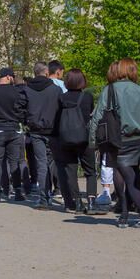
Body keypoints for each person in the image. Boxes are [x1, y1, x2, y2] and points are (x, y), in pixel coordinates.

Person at [90, 58, 140, 228]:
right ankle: (125, 213)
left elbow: (97, 116)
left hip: (116, 138)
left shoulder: (110, 89)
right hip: (137, 139)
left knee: (125, 177)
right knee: (132, 175)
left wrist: (92, 142)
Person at [54, 69, 99, 213]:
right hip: (84, 139)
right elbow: (91, 115)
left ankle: (77, 201)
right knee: (90, 171)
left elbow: (57, 119)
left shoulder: (62, 98)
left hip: (66, 139)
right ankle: (91, 201)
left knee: (71, 171)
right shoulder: (88, 97)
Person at [0, 67, 28, 202]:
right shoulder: (17, 91)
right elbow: (22, 110)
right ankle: (17, 192)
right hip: (14, 129)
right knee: (14, 162)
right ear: (9, 77)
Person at [23, 63, 61, 209]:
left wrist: (26, 122)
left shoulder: (27, 90)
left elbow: (19, 107)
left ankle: (44, 197)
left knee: (41, 163)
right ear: (46, 73)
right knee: (53, 162)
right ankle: (55, 192)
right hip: (52, 130)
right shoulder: (56, 90)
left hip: (36, 129)